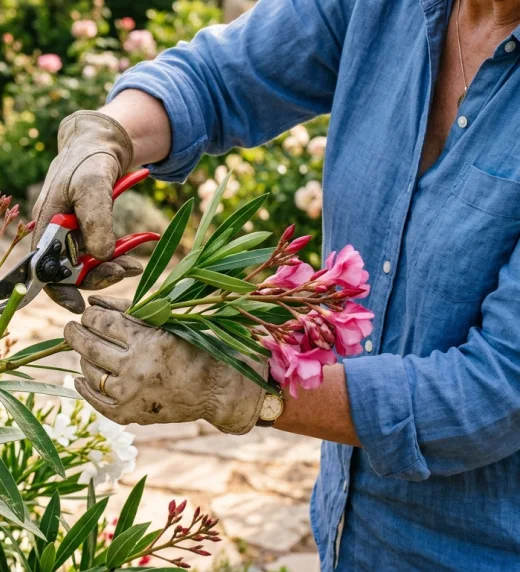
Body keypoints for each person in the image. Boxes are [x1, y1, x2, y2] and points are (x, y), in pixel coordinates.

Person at [31, 0, 520, 569]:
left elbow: (495, 392)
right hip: (350, 534)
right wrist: (109, 136)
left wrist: (236, 385)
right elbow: (220, 77)